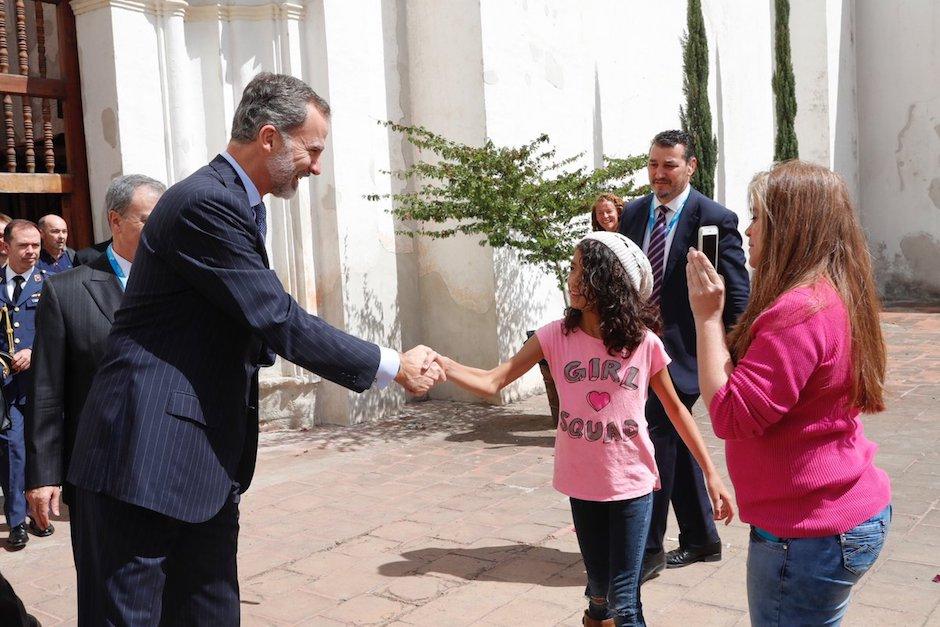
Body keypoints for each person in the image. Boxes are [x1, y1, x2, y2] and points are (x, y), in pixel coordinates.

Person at [66, 72, 443, 625]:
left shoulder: (238, 203)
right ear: (269, 137)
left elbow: (236, 319)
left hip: (203, 458)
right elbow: (274, 314)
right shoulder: (203, 203)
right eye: (311, 149)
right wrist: (390, 366)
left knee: (212, 613)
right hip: (142, 454)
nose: (316, 166)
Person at [440, 232, 733, 627]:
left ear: (606, 279)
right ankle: (595, 615)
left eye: (581, 269)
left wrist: (711, 473)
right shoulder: (554, 337)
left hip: (632, 483)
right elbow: (494, 380)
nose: (572, 279)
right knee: (599, 589)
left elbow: (677, 411)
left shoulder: (643, 343)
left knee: (625, 601)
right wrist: (442, 364)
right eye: (573, 269)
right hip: (582, 482)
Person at [687, 160, 892, 626]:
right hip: (839, 514)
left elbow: (730, 416)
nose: (749, 229)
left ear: (791, 227)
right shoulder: (831, 291)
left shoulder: (798, 311)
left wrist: (707, 317)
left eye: (759, 217)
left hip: (807, 534)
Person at [618, 130, 749, 581]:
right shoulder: (633, 212)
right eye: (653, 164)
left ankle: (648, 549)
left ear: (690, 166)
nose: (658, 173)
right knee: (674, 435)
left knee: (657, 436)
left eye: (669, 165)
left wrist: (733, 353)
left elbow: (735, 294)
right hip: (637, 350)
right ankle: (701, 538)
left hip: (689, 354)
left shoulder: (714, 218)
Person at [25, 174, 165, 546]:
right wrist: (43, 475)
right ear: (115, 221)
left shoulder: (186, 285)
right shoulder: (67, 291)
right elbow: (47, 391)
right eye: (149, 220)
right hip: (102, 474)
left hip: (172, 470)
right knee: (107, 593)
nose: (161, 229)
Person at [0, 220, 49, 548]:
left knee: (40, 449)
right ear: (6, 246)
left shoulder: (53, 282)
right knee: (11, 449)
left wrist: (36, 350)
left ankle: (40, 513)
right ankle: (17, 520)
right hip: (6, 389)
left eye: (36, 245)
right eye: (24, 246)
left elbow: (62, 330)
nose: (32, 252)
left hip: (42, 384)